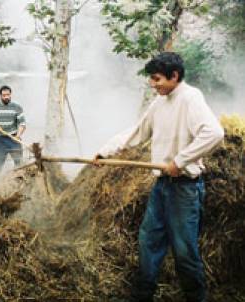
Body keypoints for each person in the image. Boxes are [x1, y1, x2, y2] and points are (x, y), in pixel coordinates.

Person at [93, 52, 224, 302]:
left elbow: (215, 133)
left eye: (157, 79)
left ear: (174, 76)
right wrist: (105, 151)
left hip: (185, 189)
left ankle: (196, 298)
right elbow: (137, 132)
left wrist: (180, 160)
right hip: (162, 186)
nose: (153, 84)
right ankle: (143, 295)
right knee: (149, 241)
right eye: (151, 79)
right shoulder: (159, 103)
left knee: (184, 250)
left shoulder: (190, 98)